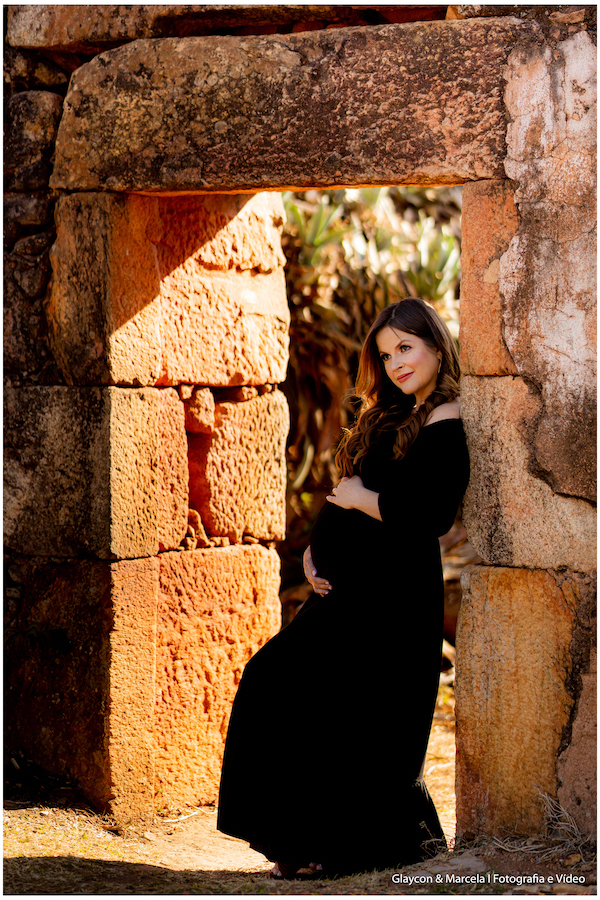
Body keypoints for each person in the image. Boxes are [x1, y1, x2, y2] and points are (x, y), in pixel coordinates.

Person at [217, 297, 470, 879]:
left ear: (436, 346)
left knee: (345, 711)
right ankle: (304, 839)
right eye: (385, 355)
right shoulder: (392, 413)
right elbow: (343, 493)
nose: (396, 363)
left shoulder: (447, 418)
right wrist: (315, 551)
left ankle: (334, 846)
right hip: (347, 591)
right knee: (303, 696)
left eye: (405, 348)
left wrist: (362, 501)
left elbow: (429, 514)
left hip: (392, 597)